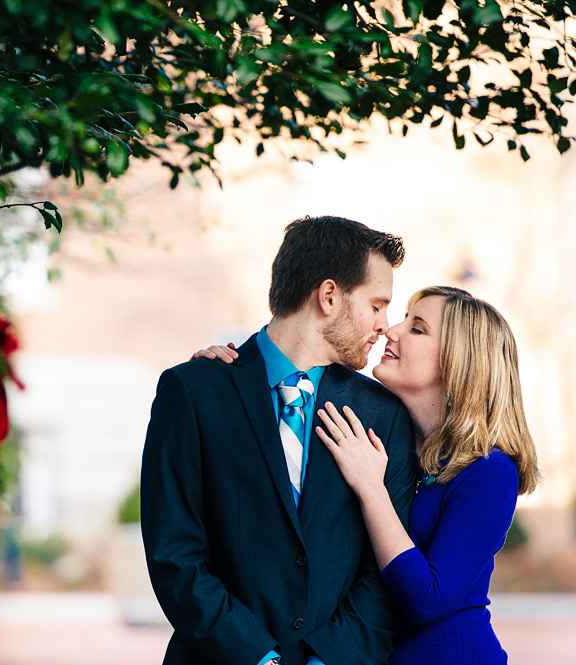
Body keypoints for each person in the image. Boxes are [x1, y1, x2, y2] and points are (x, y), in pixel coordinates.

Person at [199, 286, 540, 665]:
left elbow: (428, 599)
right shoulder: (391, 446)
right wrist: (227, 373)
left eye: (417, 328)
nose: (390, 330)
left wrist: (371, 489)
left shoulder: (490, 473)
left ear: (459, 361)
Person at [141, 215, 417, 665]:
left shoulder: (383, 415)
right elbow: (175, 554)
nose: (385, 325)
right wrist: (258, 659)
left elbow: (382, 573)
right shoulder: (192, 393)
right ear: (329, 296)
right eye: (377, 305)